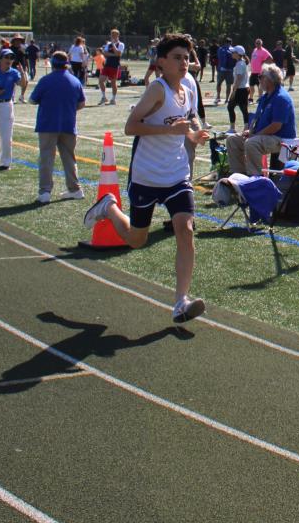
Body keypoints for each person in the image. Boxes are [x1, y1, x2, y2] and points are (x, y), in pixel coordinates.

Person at [82, 33, 209, 323]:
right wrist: (170, 131)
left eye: (186, 58)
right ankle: (108, 207)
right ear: (161, 62)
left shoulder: (188, 90)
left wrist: (194, 136)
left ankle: (181, 302)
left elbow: (184, 126)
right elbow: (131, 127)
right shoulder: (157, 89)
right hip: (147, 175)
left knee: (185, 229)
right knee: (137, 240)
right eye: (177, 57)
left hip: (176, 173)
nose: (184, 63)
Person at [29, 51, 87, 203]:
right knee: (69, 158)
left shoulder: (46, 80)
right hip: (68, 124)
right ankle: (75, 189)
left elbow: (32, 100)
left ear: (53, 64)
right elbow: (81, 103)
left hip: (48, 124)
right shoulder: (75, 81)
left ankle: (45, 192)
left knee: (46, 158)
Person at [225, 62, 296, 175]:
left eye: (261, 77)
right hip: (265, 135)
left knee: (251, 143)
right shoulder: (265, 97)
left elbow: (276, 126)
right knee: (232, 140)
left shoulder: (281, 98)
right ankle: (238, 175)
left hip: (281, 138)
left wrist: (256, 135)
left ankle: (255, 177)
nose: (259, 80)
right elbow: (258, 119)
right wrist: (251, 131)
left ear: (270, 80)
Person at [226, 46, 251, 129]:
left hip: (241, 89)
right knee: (241, 109)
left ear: (238, 54)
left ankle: (235, 128)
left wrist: (234, 91)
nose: (232, 53)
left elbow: (239, 78)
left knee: (232, 107)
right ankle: (242, 127)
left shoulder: (240, 64)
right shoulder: (240, 62)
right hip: (242, 89)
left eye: (233, 52)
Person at [100, 28, 125, 104]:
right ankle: (104, 97)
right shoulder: (108, 44)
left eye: (114, 35)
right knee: (101, 81)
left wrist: (113, 45)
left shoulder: (121, 44)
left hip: (114, 66)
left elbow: (118, 53)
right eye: (111, 34)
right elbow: (105, 53)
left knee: (113, 83)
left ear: (118, 35)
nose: (112, 36)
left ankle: (113, 99)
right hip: (107, 65)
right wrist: (114, 54)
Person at [248, 37, 273, 103]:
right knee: (251, 86)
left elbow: (271, 58)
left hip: (260, 72)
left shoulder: (264, 51)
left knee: (260, 86)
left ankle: (260, 98)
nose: (257, 44)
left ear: (261, 44)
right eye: (256, 43)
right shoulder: (254, 50)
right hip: (253, 72)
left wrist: (264, 61)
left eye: (259, 43)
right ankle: (251, 98)